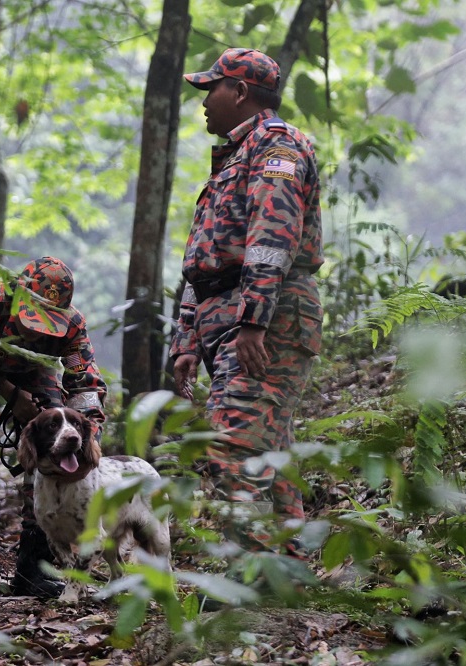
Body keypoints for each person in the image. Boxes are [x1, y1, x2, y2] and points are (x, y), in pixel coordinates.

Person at [168, 48, 324, 554]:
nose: (203, 102)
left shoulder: (277, 147)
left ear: (239, 92)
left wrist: (254, 320)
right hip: (227, 324)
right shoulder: (232, 159)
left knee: (231, 447)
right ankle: (290, 575)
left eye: (210, 89)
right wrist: (187, 338)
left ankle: (251, 580)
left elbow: (271, 238)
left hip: (266, 322)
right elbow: (203, 263)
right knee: (267, 451)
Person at [0, 257, 107, 597]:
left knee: (53, 444)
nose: (39, 330)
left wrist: (89, 444)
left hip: (33, 368)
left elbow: (84, 386)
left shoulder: (72, 325)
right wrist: (10, 393)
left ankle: (34, 567)